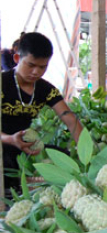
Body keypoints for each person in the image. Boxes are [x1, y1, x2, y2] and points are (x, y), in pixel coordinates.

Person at [1, 32, 83, 198]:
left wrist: (86, 153)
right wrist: (10, 139)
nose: (35, 72)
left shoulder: (46, 90)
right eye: (30, 65)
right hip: (3, 145)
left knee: (62, 157)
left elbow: (69, 118)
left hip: (23, 147)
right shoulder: (3, 83)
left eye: (42, 67)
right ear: (17, 58)